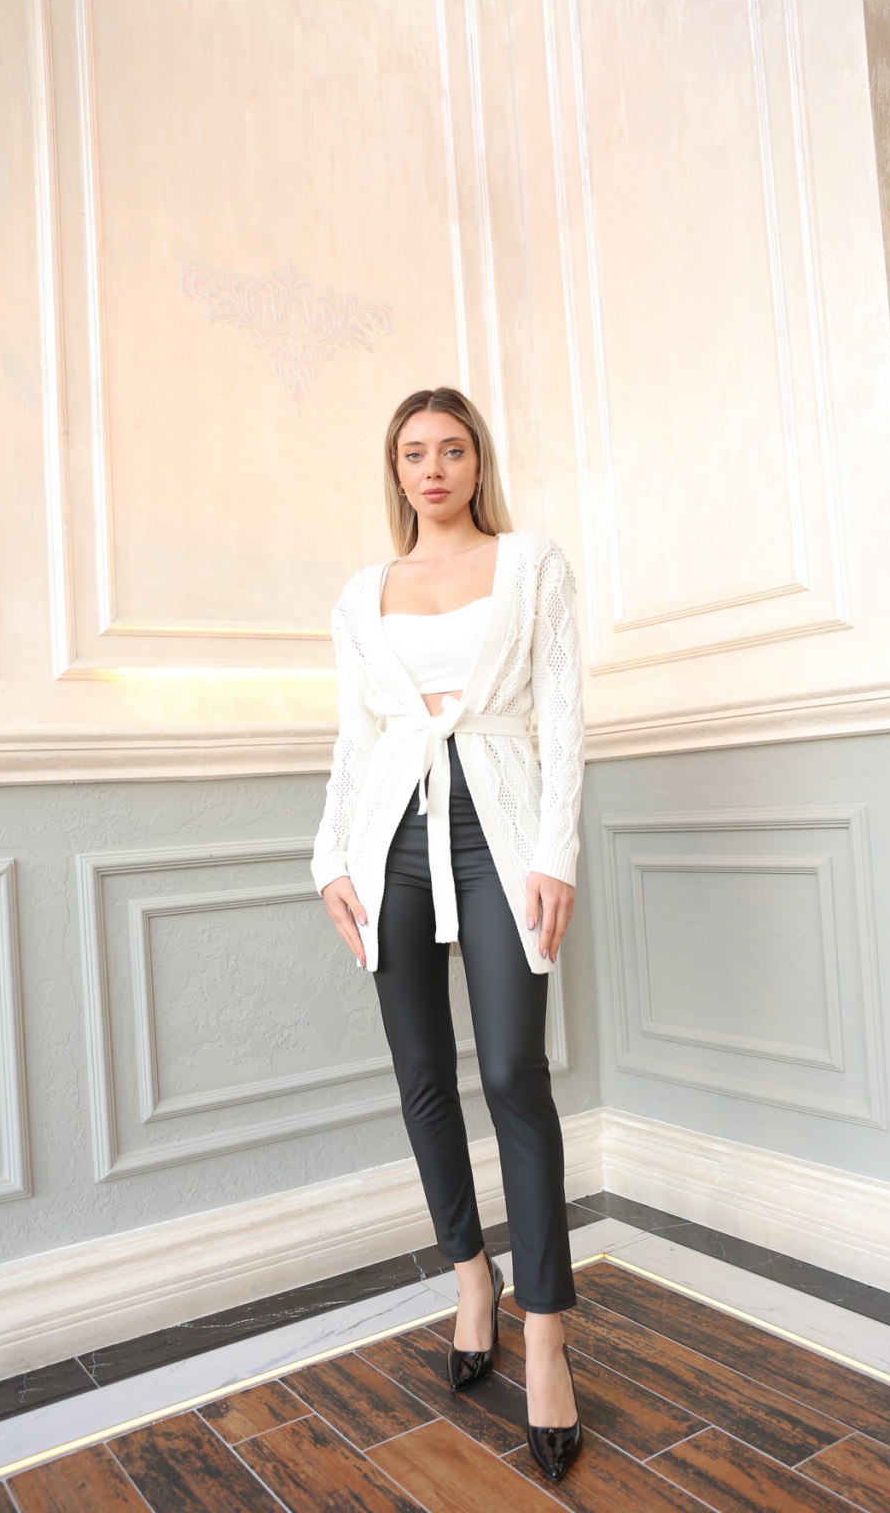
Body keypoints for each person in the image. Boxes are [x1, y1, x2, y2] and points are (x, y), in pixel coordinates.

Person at [311, 385, 586, 1483]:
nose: (433, 469)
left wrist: (555, 850)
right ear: (397, 470)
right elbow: (355, 739)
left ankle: (546, 1332)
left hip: (501, 827)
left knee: (514, 1070)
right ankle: (471, 1274)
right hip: (391, 839)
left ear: (478, 463)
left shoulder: (532, 564)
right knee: (422, 1072)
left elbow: (560, 713)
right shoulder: (361, 594)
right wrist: (329, 859)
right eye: (415, 453)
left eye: (453, 450)